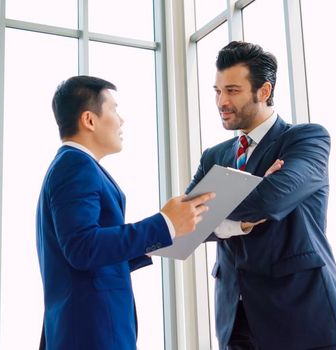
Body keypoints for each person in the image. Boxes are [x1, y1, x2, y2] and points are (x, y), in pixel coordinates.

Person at [187, 41, 336, 350]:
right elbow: (189, 223)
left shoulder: (306, 139)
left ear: (264, 91)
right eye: (217, 91)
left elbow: (270, 200)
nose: (221, 101)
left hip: (300, 314)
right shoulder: (214, 156)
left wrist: (230, 201)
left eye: (232, 91)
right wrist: (253, 193)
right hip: (235, 320)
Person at [37, 75, 214, 350]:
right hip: (91, 333)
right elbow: (82, 247)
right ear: (89, 120)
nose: (121, 120)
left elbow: (90, 253)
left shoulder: (74, 165)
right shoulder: (75, 166)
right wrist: (163, 224)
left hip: (89, 328)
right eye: (114, 109)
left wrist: (159, 238)